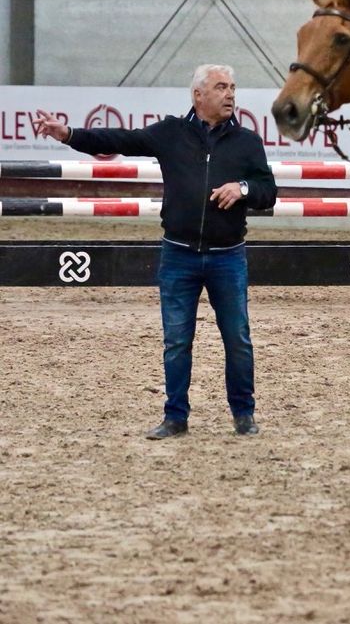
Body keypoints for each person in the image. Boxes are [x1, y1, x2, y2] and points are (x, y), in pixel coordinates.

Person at [35, 65, 277, 439]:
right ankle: (175, 417)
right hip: (178, 255)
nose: (230, 94)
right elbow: (118, 139)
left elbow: (268, 191)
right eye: (220, 87)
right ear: (198, 96)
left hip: (228, 257)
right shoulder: (169, 133)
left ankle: (243, 413)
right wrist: (67, 133)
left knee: (238, 339)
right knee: (177, 340)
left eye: (232, 87)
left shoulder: (247, 142)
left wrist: (243, 188)